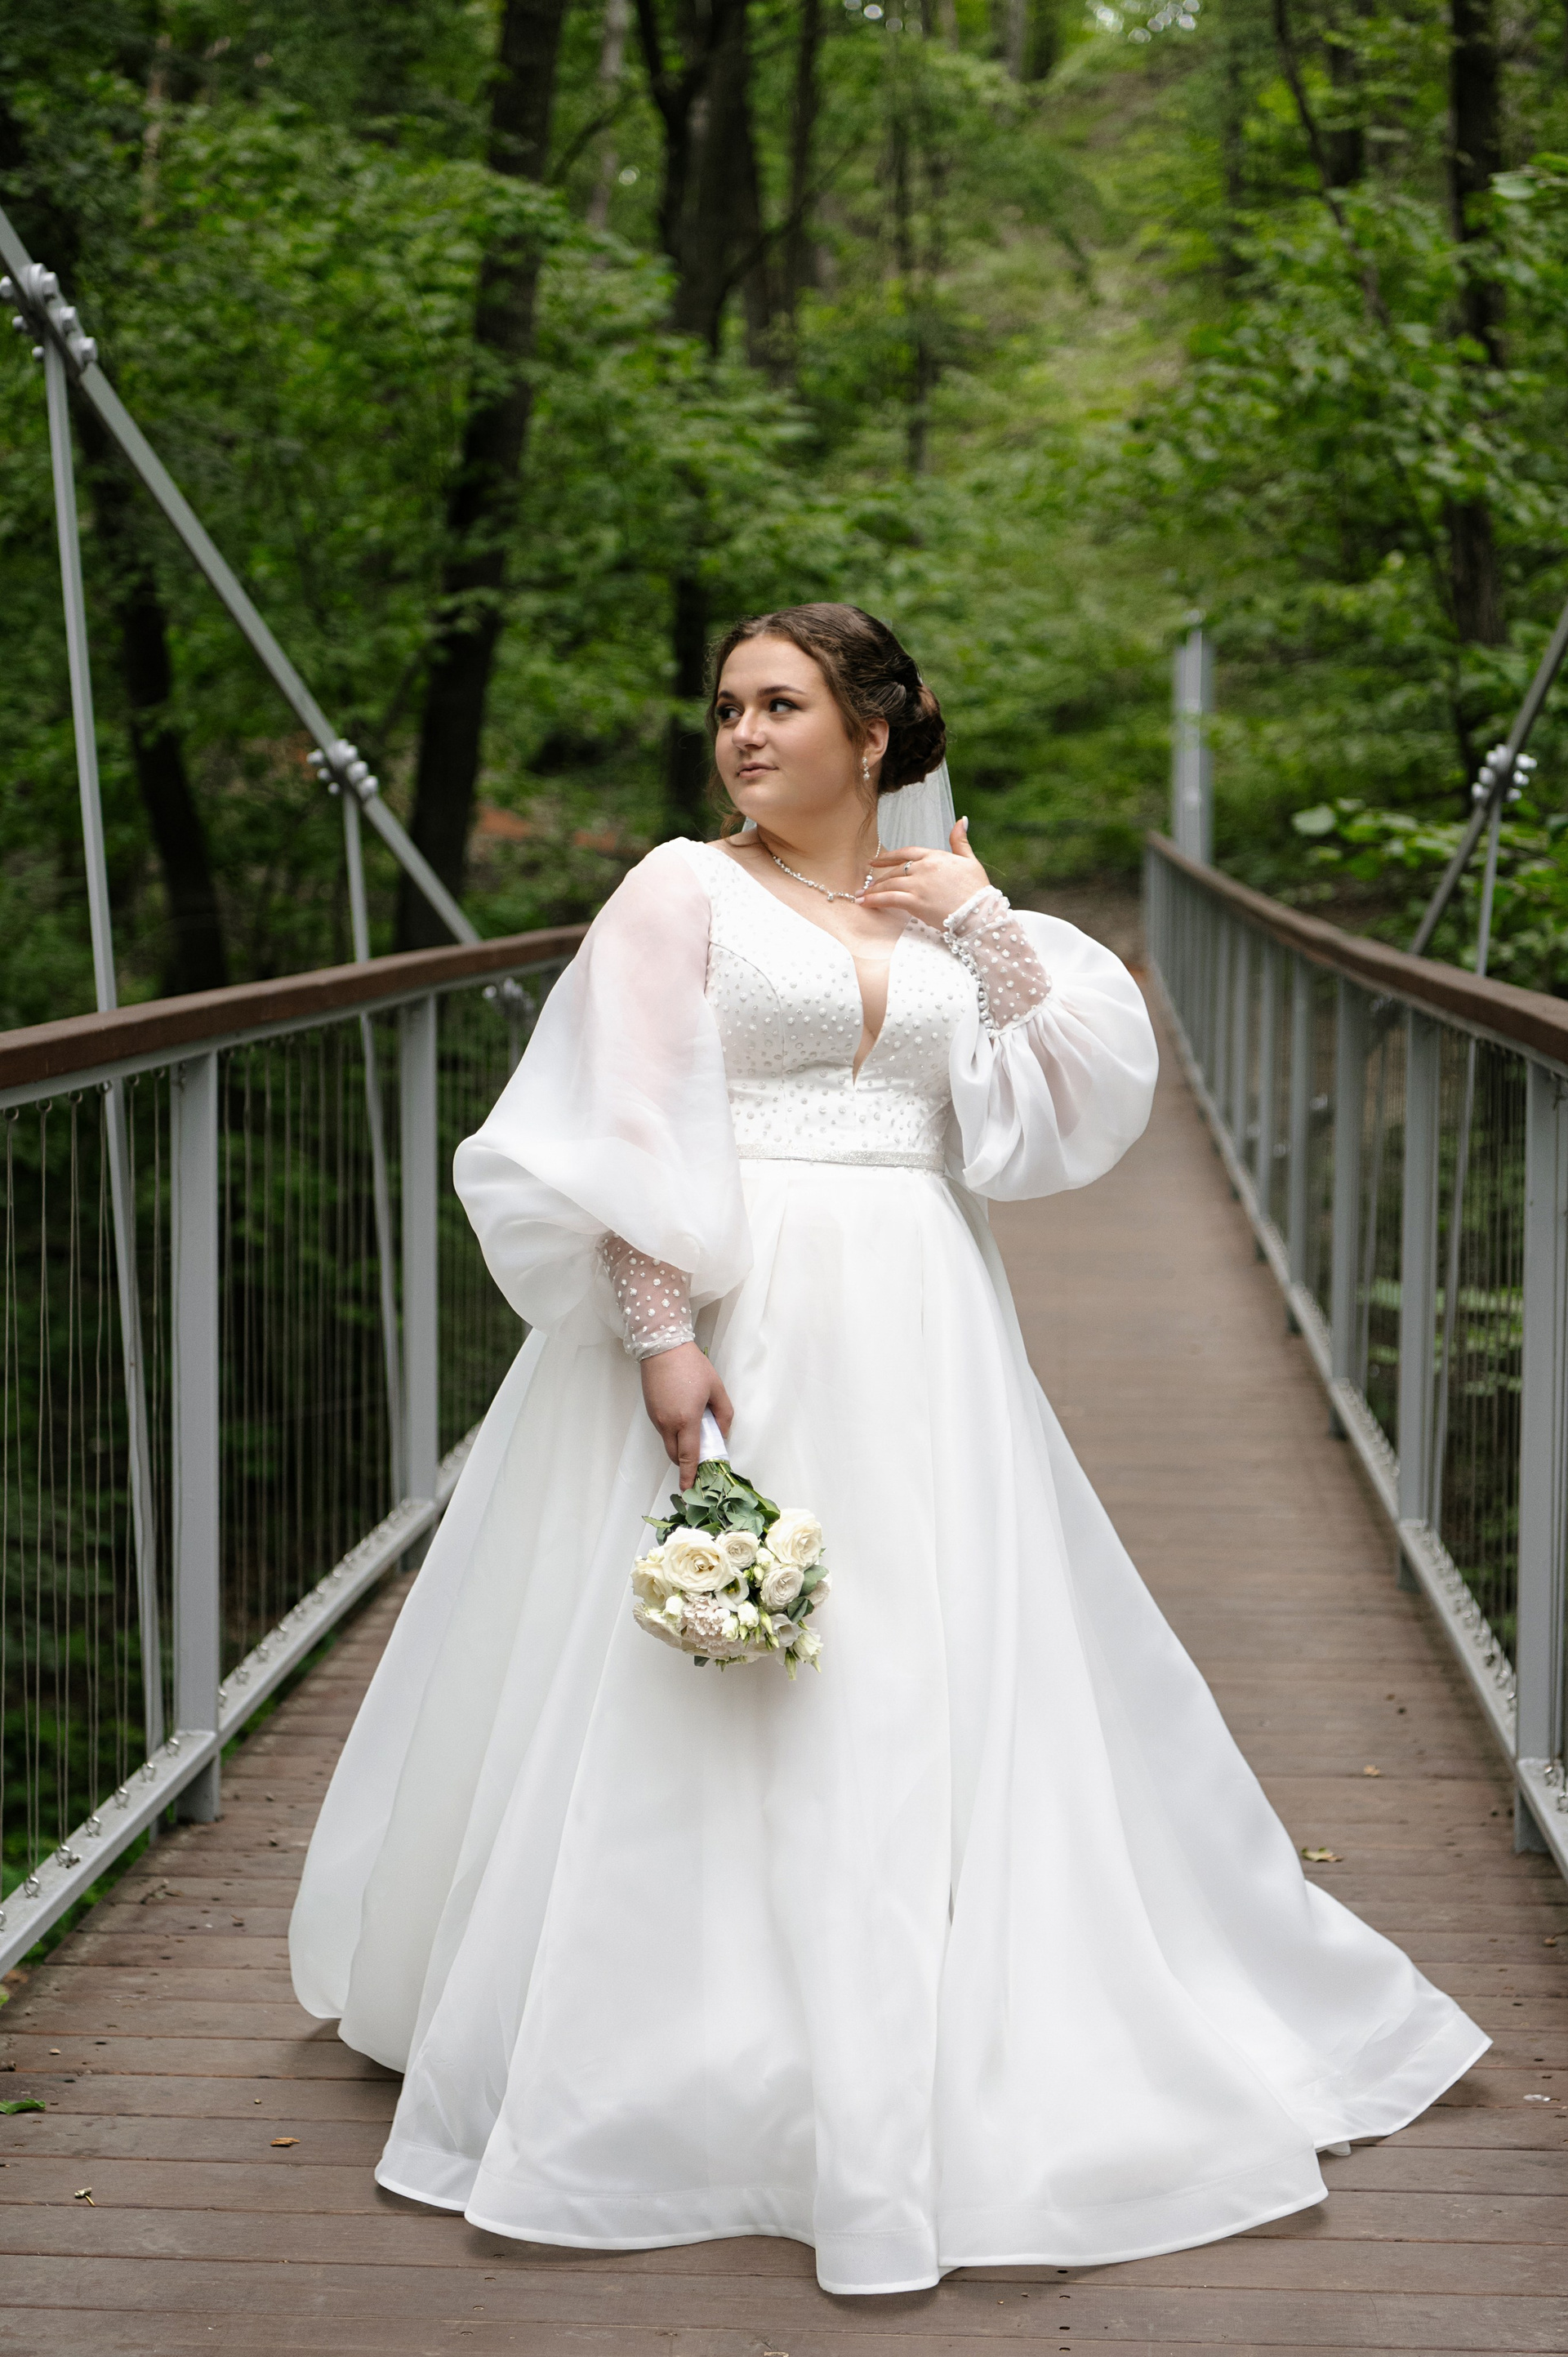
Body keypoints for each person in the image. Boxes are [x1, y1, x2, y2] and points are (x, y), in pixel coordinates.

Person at [289, 602, 1486, 2297]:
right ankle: (697, 2040)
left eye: (780, 705)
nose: (742, 734)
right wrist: (663, 1335)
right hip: (741, 1305)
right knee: (722, 1668)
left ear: (873, 733)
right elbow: (623, 1118)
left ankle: (931, 2004)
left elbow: (1065, 1096)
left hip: (927, 1322)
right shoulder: (679, 890)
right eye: (726, 706)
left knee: (927, 1654)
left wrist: (982, 918)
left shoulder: (939, 899)